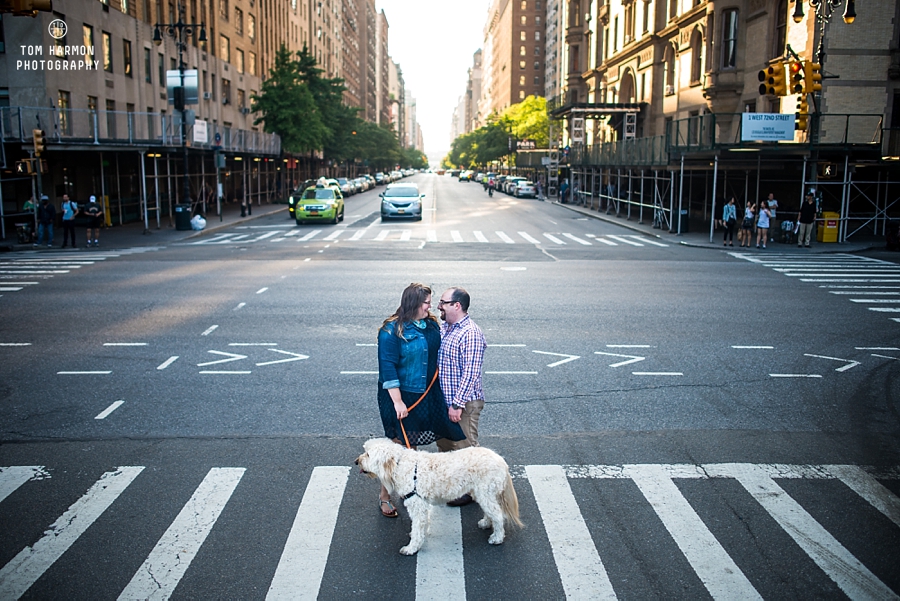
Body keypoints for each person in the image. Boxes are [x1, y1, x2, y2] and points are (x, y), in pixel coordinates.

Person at [376, 283, 465, 517]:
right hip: (403, 397)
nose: (431, 306)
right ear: (415, 304)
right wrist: (397, 402)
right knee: (401, 449)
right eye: (427, 302)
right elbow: (388, 369)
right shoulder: (391, 331)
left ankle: (415, 491)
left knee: (413, 450)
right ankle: (385, 497)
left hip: (428, 395)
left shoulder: (431, 324)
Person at [436, 286, 487, 507]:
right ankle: (456, 485)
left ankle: (473, 490)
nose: (439, 306)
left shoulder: (471, 333)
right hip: (445, 402)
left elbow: (471, 372)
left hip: (463, 403)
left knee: (466, 449)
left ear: (457, 305)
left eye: (443, 302)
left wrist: (457, 404)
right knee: (446, 446)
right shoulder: (446, 327)